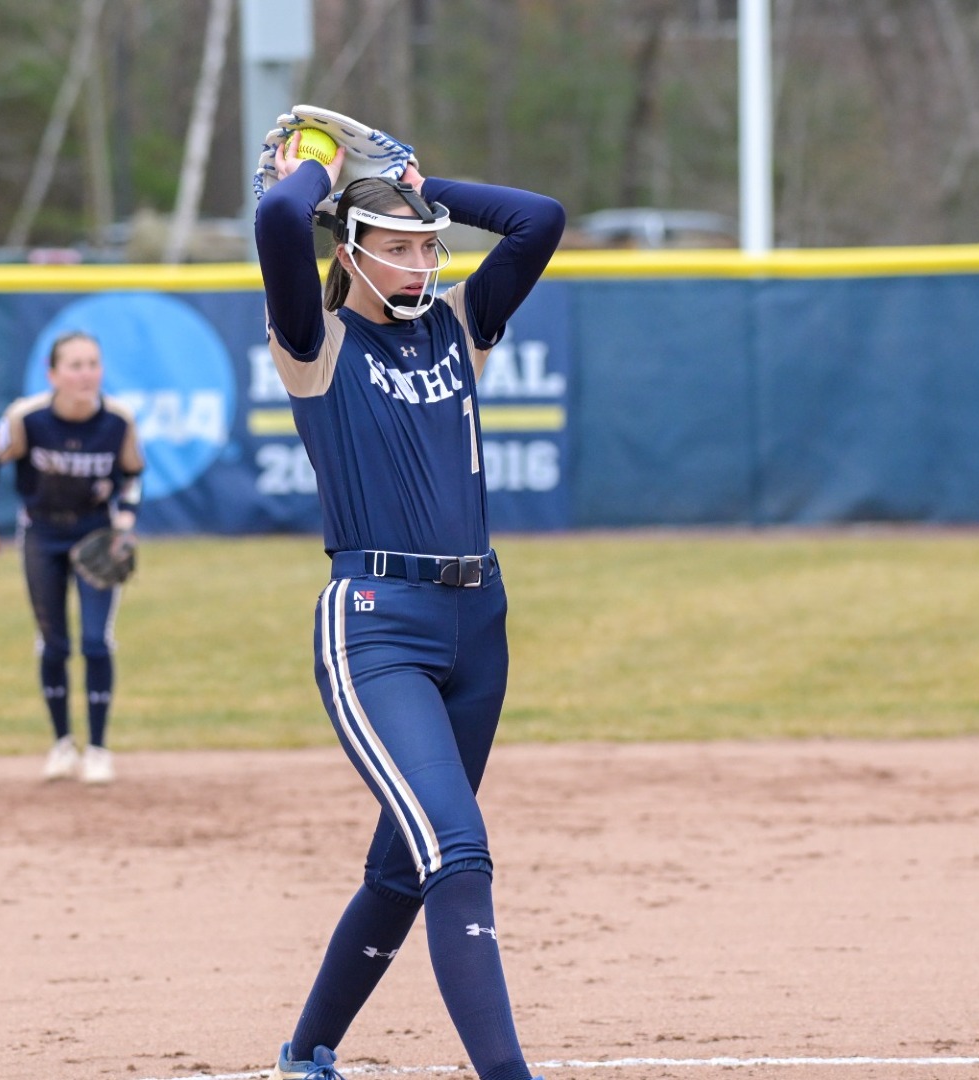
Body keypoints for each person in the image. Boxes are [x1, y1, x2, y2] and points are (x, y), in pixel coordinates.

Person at [252, 126, 564, 1080]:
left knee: (402, 866)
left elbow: (537, 222)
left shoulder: (457, 326)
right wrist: (317, 168)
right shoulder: (318, 338)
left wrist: (422, 187)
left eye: (429, 244)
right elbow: (276, 216)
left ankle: (308, 1051)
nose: (421, 260)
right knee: (456, 847)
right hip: (378, 627)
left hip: (480, 626)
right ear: (346, 249)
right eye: (397, 244)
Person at [0, 331, 144, 785]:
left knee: (95, 640)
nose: (86, 374)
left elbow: (133, 476)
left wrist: (125, 521)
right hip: (41, 533)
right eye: (75, 365)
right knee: (54, 642)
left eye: (92, 364)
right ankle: (63, 744)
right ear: (53, 374)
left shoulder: (118, 422)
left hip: (95, 535)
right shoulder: (28, 419)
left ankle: (99, 750)